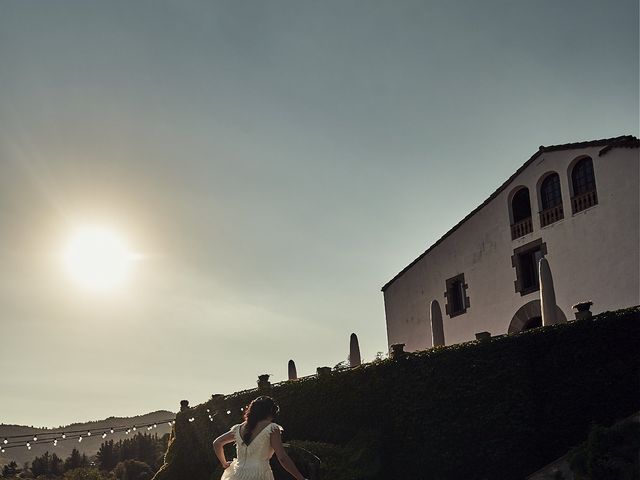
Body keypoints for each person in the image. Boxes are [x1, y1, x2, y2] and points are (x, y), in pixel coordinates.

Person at [213, 396, 308, 480]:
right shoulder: (272, 428)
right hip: (259, 475)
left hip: (236, 474)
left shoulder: (238, 428)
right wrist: (300, 478)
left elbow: (217, 443)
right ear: (271, 412)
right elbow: (282, 458)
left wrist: (224, 464)